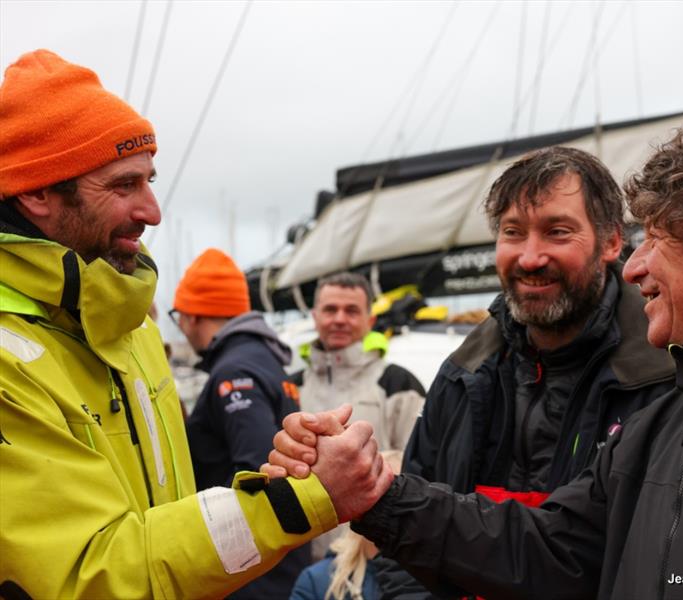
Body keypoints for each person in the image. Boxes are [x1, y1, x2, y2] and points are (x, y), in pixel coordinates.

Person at [268, 110, 683, 599]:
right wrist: (372, 497)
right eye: (512, 233)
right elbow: (547, 549)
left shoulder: (663, 390)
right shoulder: (666, 422)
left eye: (658, 239)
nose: (637, 268)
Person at [0, 49, 391, 599]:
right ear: (36, 191)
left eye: (148, 180)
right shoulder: (8, 360)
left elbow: (170, 511)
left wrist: (288, 468)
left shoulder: (129, 327)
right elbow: (88, 577)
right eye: (122, 185)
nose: (154, 210)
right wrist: (300, 498)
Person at [280, 147, 675, 595]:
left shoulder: (666, 375)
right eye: (512, 232)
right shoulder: (462, 373)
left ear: (611, 242)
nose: (529, 257)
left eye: (557, 232)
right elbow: (404, 550)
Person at [172, 247, 311, 599]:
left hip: (252, 575)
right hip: (280, 562)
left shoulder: (234, 371)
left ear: (191, 316)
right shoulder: (264, 358)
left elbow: (256, 472)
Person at [296, 271, 426, 560]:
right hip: (304, 561)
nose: (340, 319)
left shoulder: (399, 385)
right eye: (330, 309)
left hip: (375, 559)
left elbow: (420, 475)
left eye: (351, 310)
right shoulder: (291, 387)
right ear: (315, 316)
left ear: (369, 320)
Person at [289, 452, 404, 600]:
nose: (389, 510)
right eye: (382, 496)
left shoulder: (431, 579)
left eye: (400, 500)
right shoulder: (318, 581)